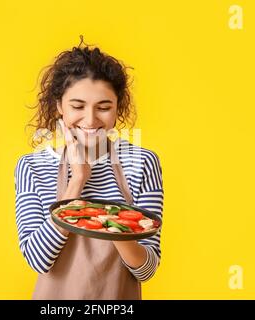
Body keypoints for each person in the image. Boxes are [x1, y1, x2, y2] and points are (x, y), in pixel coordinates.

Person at [14, 36, 164, 299]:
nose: (91, 119)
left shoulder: (142, 163)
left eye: (104, 107)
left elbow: (146, 269)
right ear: (59, 106)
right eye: (78, 106)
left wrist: (111, 225)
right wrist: (77, 181)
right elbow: (38, 260)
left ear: (118, 109)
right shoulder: (32, 166)